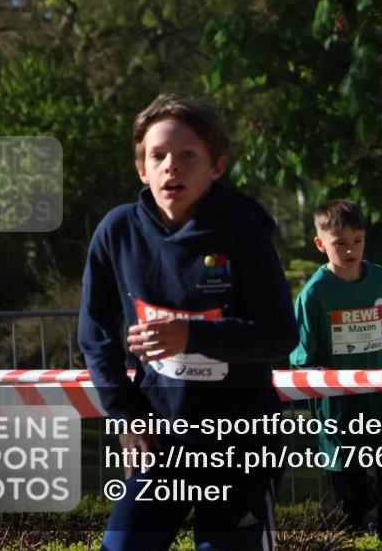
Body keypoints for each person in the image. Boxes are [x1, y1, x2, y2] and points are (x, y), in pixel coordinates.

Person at [78, 93, 298, 550]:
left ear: (216, 165)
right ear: (142, 168)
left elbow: (280, 334)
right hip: (159, 433)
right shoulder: (117, 231)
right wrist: (127, 416)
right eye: (157, 156)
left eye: (187, 155)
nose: (170, 167)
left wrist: (192, 336)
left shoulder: (244, 230)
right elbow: (95, 332)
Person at [290, 199, 382, 535]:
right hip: (340, 411)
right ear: (321, 244)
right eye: (340, 243)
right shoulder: (313, 294)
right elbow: (303, 359)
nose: (350, 250)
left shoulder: (380, 278)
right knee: (351, 503)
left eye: (357, 241)